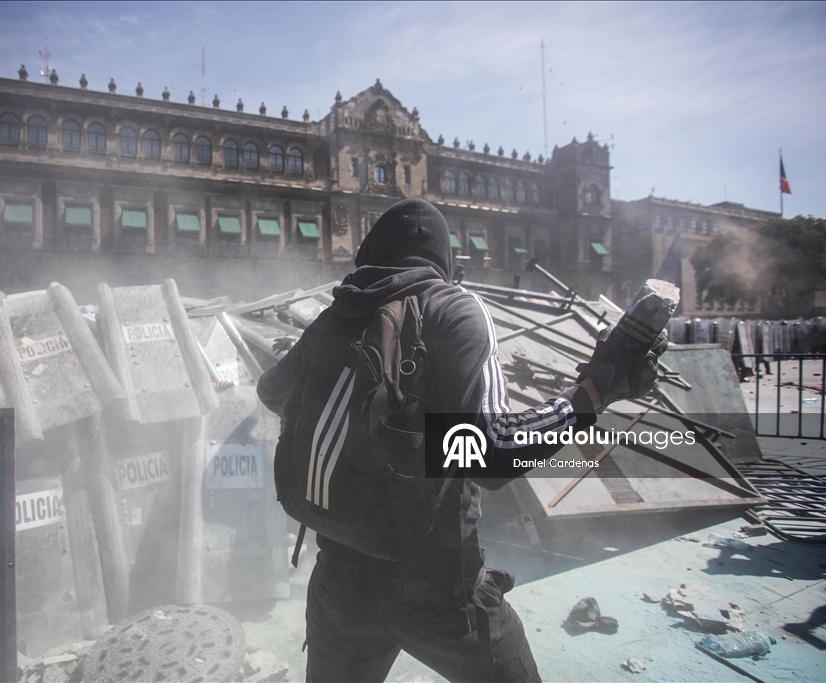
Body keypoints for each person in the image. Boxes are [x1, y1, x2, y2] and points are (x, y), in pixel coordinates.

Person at [257, 198, 664, 682]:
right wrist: (597, 391)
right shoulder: (454, 309)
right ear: (443, 260)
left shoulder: (333, 318)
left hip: (338, 585)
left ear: (372, 254)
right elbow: (493, 452)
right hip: (441, 595)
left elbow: (271, 392)